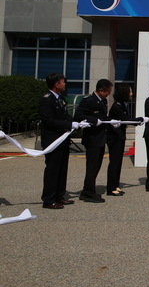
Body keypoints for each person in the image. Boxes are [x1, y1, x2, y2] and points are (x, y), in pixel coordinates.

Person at [38, 73, 86, 209]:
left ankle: (59, 196)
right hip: (53, 140)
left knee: (62, 168)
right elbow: (49, 120)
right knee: (53, 169)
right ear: (56, 84)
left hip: (63, 139)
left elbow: (65, 116)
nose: (65, 84)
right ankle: (48, 199)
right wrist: (70, 125)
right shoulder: (46, 100)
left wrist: (78, 123)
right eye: (63, 82)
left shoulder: (60, 99)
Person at [75, 79, 115, 203]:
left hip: (100, 138)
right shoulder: (88, 101)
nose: (108, 94)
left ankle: (87, 190)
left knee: (96, 166)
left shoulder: (103, 101)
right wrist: (93, 120)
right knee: (92, 167)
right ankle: (89, 192)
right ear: (101, 90)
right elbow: (78, 116)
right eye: (107, 92)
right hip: (92, 138)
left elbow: (102, 117)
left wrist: (111, 121)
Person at [106, 84, 144, 196]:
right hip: (114, 138)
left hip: (120, 136)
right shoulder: (117, 106)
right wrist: (139, 120)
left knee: (118, 162)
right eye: (130, 92)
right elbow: (126, 119)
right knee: (114, 162)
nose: (131, 94)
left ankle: (115, 184)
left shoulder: (123, 104)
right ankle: (111, 187)